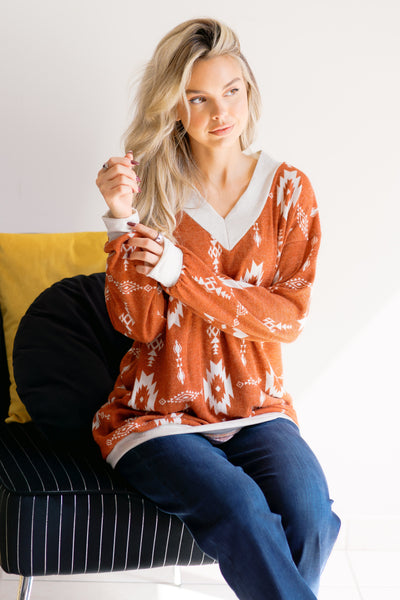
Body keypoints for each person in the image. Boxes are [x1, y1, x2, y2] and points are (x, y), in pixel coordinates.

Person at [93, 17, 340, 600]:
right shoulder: (155, 189)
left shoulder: (289, 191)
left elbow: (287, 317)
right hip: (157, 415)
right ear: (175, 107)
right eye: (198, 98)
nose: (220, 112)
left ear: (249, 90)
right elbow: (139, 324)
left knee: (313, 517)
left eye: (231, 91)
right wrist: (120, 220)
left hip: (257, 409)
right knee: (241, 509)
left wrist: (183, 274)